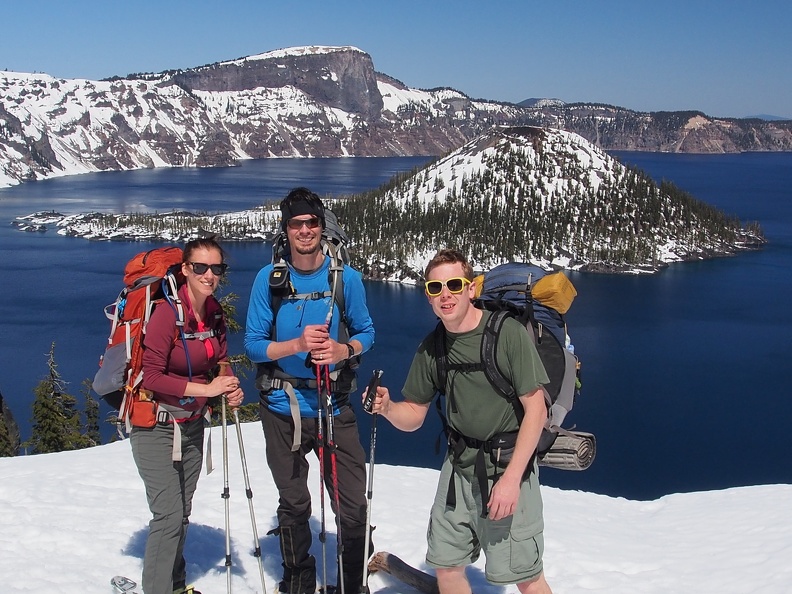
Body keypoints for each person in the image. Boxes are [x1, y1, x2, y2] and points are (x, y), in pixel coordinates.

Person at [368, 248, 553, 594]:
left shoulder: (506, 334)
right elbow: (415, 415)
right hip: (458, 472)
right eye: (436, 288)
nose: (446, 294)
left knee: (526, 575)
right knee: (447, 566)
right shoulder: (433, 347)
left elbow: (537, 410)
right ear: (428, 296)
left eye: (454, 284)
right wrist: (388, 407)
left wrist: (512, 480)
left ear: (471, 289)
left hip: (508, 468)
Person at [244, 187, 375, 594]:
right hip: (282, 406)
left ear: (322, 227)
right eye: (297, 223)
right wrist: (297, 346)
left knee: (352, 504)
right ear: (286, 230)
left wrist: (343, 348)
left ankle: (352, 581)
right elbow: (252, 344)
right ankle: (298, 577)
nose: (305, 230)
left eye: (311, 223)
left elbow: (367, 332)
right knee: (295, 500)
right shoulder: (269, 280)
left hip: (333, 405)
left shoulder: (345, 279)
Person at [131, 237, 244, 594]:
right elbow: (151, 376)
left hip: (192, 425)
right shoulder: (167, 313)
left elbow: (220, 358)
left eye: (216, 269)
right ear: (185, 269)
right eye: (200, 267)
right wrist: (207, 390)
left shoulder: (213, 313)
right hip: (156, 425)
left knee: (181, 512)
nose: (209, 275)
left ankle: (175, 584)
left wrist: (228, 384)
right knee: (166, 514)